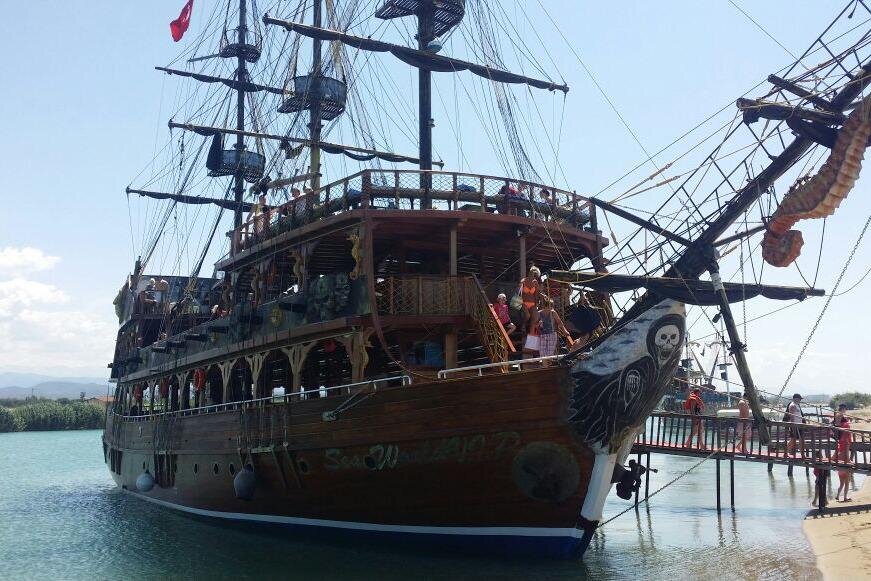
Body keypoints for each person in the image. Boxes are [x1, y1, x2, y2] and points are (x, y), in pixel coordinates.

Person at [537, 296, 574, 365]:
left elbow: (559, 322)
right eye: (549, 307)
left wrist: (564, 331)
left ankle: (548, 365)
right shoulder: (539, 313)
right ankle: (545, 366)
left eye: (551, 307)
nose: (551, 308)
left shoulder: (553, 312)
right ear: (545, 306)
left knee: (550, 353)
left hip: (551, 334)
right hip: (542, 335)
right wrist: (538, 324)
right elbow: (535, 324)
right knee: (543, 353)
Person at [519, 266, 542, 338]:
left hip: (532, 303)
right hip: (523, 302)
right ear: (530, 273)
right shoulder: (523, 280)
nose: (534, 276)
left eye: (535, 275)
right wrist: (519, 303)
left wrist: (536, 304)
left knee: (535, 318)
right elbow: (519, 293)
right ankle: (523, 325)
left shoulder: (536, 282)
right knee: (527, 316)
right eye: (533, 274)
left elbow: (536, 294)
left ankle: (531, 334)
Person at [785, 393, 806, 458]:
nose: (800, 400)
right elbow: (791, 417)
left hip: (799, 425)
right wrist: (793, 426)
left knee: (795, 440)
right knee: (796, 440)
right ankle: (802, 454)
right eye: (799, 399)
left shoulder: (797, 405)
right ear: (795, 399)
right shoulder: (792, 405)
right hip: (795, 426)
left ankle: (786, 452)